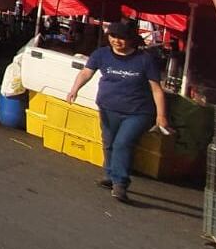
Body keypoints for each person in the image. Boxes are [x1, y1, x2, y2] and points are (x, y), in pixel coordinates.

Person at [66, 19, 169, 202]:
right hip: (108, 108)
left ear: (131, 39)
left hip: (138, 112)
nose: (116, 41)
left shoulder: (144, 60)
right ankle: (109, 174)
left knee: (122, 143)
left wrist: (161, 115)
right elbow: (86, 73)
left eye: (122, 37)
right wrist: (74, 89)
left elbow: (156, 89)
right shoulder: (101, 54)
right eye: (113, 36)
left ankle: (120, 183)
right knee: (109, 142)